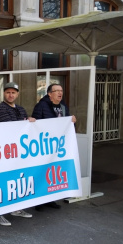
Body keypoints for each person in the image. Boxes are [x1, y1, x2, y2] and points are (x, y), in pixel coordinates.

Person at [0, 82, 35, 226]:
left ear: (17, 94)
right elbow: (10, 127)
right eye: (8, 92)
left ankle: (16, 208)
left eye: (13, 92)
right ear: (4, 94)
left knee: (17, 180)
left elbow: (24, 126)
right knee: (2, 182)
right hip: (4, 152)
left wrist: (29, 121)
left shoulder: (21, 109)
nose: (11, 95)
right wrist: (24, 122)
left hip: (18, 152)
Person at [31, 83, 76, 211]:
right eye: (56, 91)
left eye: (61, 90)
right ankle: (39, 201)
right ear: (49, 94)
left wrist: (72, 121)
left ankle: (50, 199)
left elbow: (67, 125)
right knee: (42, 172)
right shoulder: (41, 105)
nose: (60, 93)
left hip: (58, 146)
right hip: (44, 146)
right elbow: (35, 125)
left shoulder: (63, 106)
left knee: (54, 172)